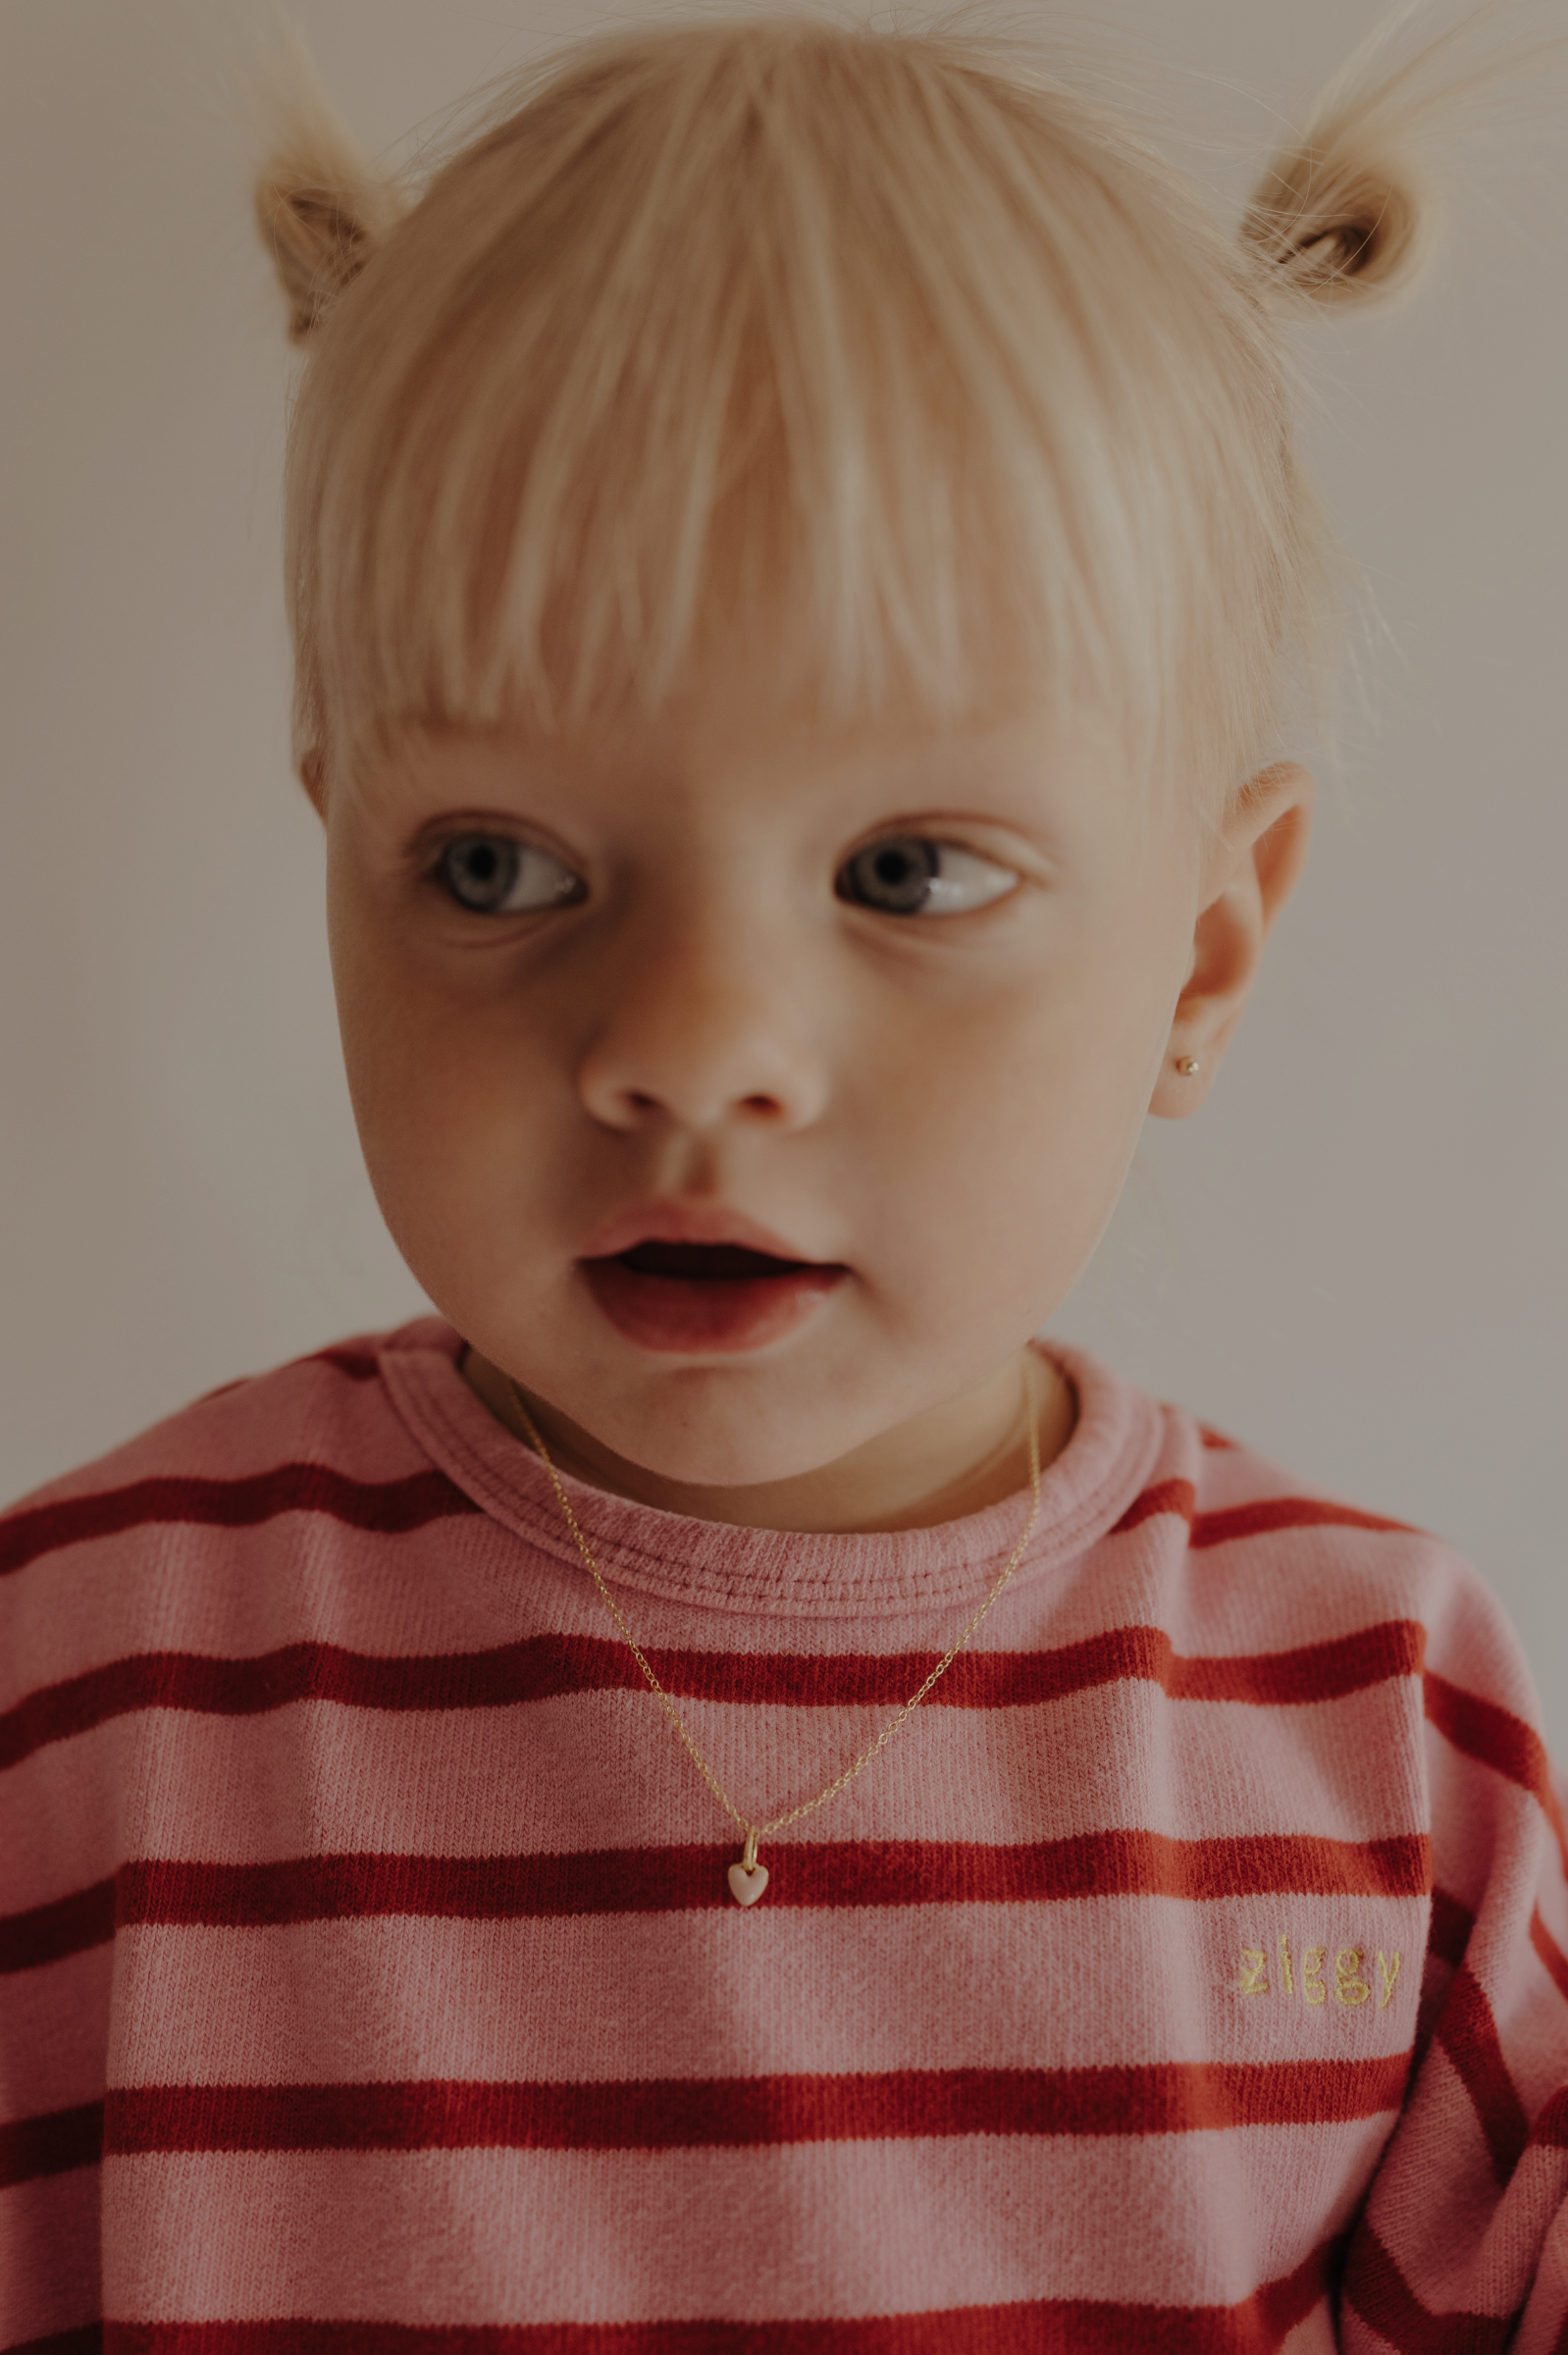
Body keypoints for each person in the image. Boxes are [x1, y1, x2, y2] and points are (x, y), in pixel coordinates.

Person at [3, 10, 1565, 2346]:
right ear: (338, 861)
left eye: (908, 871)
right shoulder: (82, 1681)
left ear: (1202, 954)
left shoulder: (1376, 1722)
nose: (686, 1055)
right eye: (502, 863)